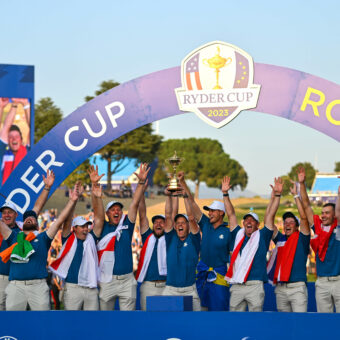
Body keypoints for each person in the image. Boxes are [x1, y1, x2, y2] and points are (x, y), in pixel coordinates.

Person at [0, 181, 82, 311]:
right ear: (22, 221)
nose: (29, 218)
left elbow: (60, 220)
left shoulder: (43, 237)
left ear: (38, 225)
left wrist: (72, 201)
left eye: (32, 218)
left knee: (42, 322)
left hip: (38, 286)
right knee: (13, 323)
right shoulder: (13, 236)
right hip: (15, 286)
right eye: (27, 218)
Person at [89, 163, 149, 311]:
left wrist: (141, 183)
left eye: (119, 210)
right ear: (108, 214)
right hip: (107, 280)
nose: (117, 212)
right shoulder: (102, 227)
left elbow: (134, 203)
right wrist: (95, 185)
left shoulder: (127, 226)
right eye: (112, 210)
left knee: (128, 320)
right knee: (104, 321)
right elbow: (97, 213)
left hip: (127, 280)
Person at [179, 172, 238, 311]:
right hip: (202, 276)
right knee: (201, 312)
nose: (209, 213)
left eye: (213, 211)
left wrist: (225, 194)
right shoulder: (205, 224)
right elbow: (192, 203)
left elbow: (232, 215)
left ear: (221, 213)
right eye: (209, 211)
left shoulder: (228, 231)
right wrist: (182, 182)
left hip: (220, 277)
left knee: (219, 312)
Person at [0, 169, 55, 310]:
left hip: (18, 280)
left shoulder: (24, 229)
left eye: (9, 212)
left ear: (16, 214)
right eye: (4, 212)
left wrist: (47, 188)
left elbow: (37, 207)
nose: (6, 215)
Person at [225, 177, 282, 312]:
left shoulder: (262, 235)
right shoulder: (238, 234)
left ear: (257, 225)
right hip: (237, 284)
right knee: (235, 320)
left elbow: (270, 215)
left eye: (252, 220)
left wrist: (277, 195)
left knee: (256, 320)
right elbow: (231, 214)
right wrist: (225, 194)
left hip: (255, 285)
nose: (249, 222)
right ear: (243, 223)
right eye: (246, 220)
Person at [49, 183, 99, 311]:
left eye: (87, 226)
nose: (85, 229)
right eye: (82, 226)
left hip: (91, 288)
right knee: (70, 322)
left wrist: (95, 194)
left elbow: (99, 220)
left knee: (92, 322)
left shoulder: (91, 238)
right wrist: (73, 201)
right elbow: (66, 221)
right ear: (74, 228)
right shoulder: (68, 239)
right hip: (73, 287)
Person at [267, 177, 311, 312]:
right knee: (284, 325)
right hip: (281, 288)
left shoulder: (302, 238)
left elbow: (304, 218)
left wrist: (296, 195)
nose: (287, 225)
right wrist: (275, 196)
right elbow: (268, 220)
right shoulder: (279, 238)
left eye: (291, 222)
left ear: (297, 227)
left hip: (297, 288)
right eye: (285, 222)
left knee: (300, 323)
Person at [299, 167, 340, 313]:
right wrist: (302, 184)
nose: (323, 215)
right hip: (322, 282)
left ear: (334, 215)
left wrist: (339, 192)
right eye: (322, 213)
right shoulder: (317, 227)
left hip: (338, 281)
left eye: (327, 213)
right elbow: (306, 205)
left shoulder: (338, 228)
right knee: (324, 320)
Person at [136, 183, 178, 310]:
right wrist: (142, 192)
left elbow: (172, 214)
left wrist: (170, 196)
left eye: (162, 222)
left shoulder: (170, 237)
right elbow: (142, 214)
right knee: (147, 319)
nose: (158, 224)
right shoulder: (147, 236)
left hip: (167, 286)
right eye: (156, 222)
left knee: (167, 319)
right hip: (148, 286)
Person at [162, 184, 201, 311]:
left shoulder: (194, 239)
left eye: (183, 223)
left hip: (190, 290)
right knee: (164, 322)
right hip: (170, 290)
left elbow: (191, 217)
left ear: (188, 226)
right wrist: (168, 196)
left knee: (196, 322)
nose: (180, 225)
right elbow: (168, 216)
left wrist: (185, 196)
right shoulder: (171, 238)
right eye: (177, 223)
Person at [0, 100, 30, 186]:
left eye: (16, 136)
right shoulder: (3, 154)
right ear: (7, 141)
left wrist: (26, 104)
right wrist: (13, 105)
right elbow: (6, 127)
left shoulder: (27, 151)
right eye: (10, 137)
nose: (14, 139)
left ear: (21, 139)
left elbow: (31, 128)